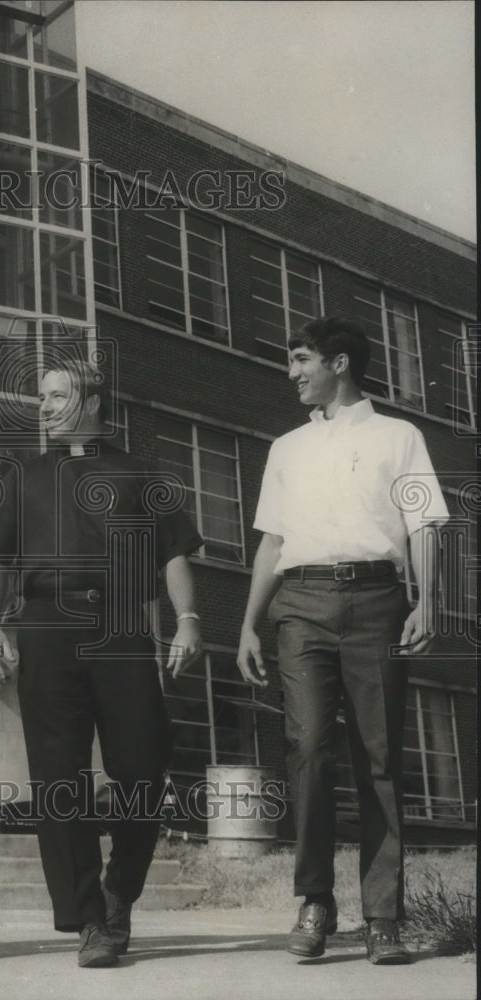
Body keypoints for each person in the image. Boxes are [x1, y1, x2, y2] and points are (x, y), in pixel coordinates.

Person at [236, 316, 448, 965]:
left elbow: (424, 523)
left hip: (378, 603)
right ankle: (315, 901)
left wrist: (428, 602)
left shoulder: (399, 436)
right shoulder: (287, 448)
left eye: (301, 359)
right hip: (300, 606)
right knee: (306, 749)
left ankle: (384, 915)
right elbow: (272, 540)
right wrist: (248, 621)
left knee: (379, 755)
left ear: (340, 364)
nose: (292, 372)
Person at [0, 358, 203, 968]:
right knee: (59, 777)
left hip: (123, 625)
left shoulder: (139, 471)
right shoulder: (19, 474)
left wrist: (187, 619)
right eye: (41, 398)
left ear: (95, 401)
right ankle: (89, 920)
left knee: (142, 766)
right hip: (48, 624)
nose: (45, 407)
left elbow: (173, 553)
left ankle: (118, 892)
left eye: (57, 396)